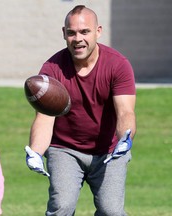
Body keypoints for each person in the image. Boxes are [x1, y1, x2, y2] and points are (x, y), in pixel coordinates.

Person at [25, 5, 136, 216]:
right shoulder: (52, 68)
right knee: (61, 207)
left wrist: (125, 140)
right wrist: (36, 152)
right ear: (64, 34)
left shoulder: (118, 65)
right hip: (65, 149)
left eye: (84, 31)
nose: (78, 38)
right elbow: (45, 118)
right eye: (71, 32)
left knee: (111, 211)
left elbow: (125, 112)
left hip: (109, 150)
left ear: (98, 31)